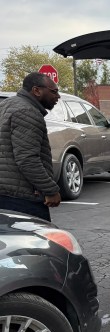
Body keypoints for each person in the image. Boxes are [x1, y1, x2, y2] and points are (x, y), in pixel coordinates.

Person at [0, 72, 62, 222]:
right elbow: (27, 159)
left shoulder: (6, 104)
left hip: (6, 193)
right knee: (34, 243)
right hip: (21, 198)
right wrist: (51, 190)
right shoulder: (27, 112)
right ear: (36, 90)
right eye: (54, 91)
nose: (58, 96)